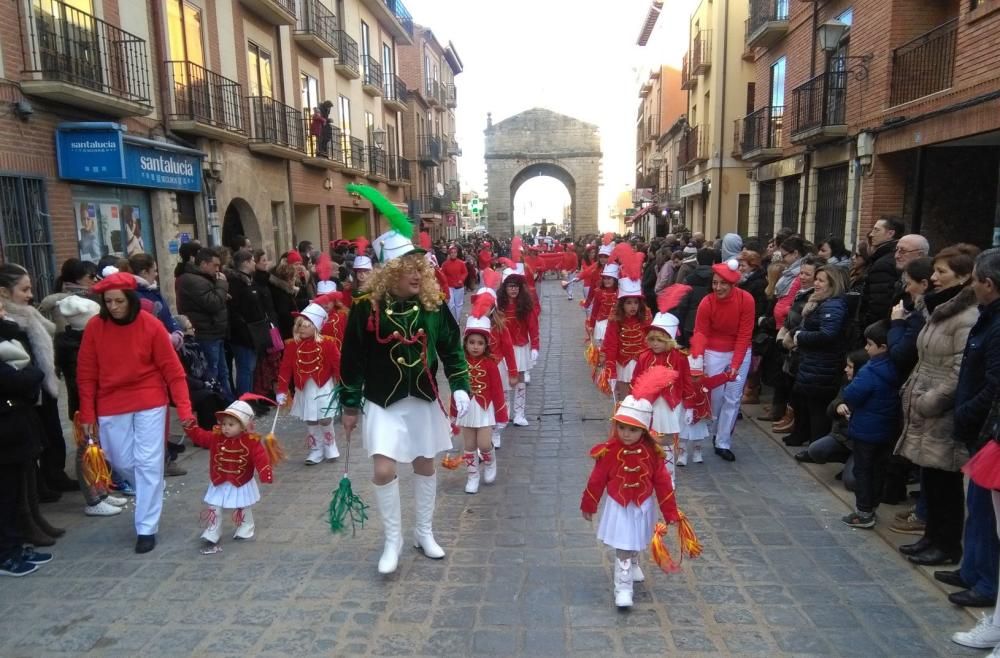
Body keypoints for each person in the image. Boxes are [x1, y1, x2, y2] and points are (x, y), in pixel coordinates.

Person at [338, 208, 471, 575]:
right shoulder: (366, 307)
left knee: (425, 464)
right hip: (383, 400)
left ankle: (423, 533)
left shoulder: (433, 305)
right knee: (383, 469)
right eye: (409, 269)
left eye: (420, 269)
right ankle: (392, 540)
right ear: (390, 274)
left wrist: (460, 386)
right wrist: (350, 405)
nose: (417, 274)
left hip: (423, 398)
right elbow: (352, 359)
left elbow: (451, 348)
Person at [76, 272, 195, 554]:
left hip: (150, 399)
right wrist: (88, 416)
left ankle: (146, 527)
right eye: (109, 301)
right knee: (120, 459)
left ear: (131, 300)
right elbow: (86, 374)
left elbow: (173, 372)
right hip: (110, 402)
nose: (114, 306)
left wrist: (186, 408)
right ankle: (150, 484)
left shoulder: (151, 325)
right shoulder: (95, 327)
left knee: (148, 462)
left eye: (119, 301)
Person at [894, 245, 981, 569]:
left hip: (940, 409)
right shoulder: (939, 308)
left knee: (946, 483)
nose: (933, 277)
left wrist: (931, 400)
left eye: (941, 272)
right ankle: (930, 537)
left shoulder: (966, 316)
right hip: (923, 403)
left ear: (963, 276)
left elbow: (961, 369)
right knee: (931, 477)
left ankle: (946, 545)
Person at [580, 367, 686, 608]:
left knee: (636, 538)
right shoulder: (609, 452)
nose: (626, 434)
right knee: (624, 546)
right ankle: (623, 586)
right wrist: (589, 504)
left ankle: (635, 563)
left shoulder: (653, 453)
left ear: (644, 430)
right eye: (622, 427)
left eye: (633, 429)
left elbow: (662, 483)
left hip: (642, 504)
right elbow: (596, 480)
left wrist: (670, 512)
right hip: (619, 505)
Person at [948, 248, 1000, 608]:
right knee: (975, 502)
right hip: (977, 427)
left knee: (984, 509)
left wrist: (966, 411)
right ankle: (970, 569)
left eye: (976, 281)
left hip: (986, 430)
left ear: (988, 284)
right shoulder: (987, 316)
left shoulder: (997, 326)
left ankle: (985, 582)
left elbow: (994, 384)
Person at [0, 265, 78, 496]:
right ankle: (39, 485)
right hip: (24, 390)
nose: (30, 295)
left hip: (43, 384)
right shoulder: (8, 321)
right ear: (4, 292)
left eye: (30, 288)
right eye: (24, 289)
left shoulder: (30, 314)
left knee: (52, 433)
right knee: (35, 440)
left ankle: (54, 474)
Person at [0, 303, 54, 576]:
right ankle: (6, 553)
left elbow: (32, 371)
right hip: (5, 426)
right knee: (5, 494)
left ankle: (15, 544)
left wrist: (29, 374)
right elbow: (17, 379)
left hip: (16, 424)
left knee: (15, 490)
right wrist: (29, 374)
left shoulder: (8, 335)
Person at [183, 398, 274, 548]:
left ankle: (246, 527)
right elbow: (201, 437)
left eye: (231, 424)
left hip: (241, 480)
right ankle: (213, 530)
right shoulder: (216, 437)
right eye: (224, 423)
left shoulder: (251, 441)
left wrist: (265, 472)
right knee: (214, 506)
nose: (226, 428)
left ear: (243, 426)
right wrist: (191, 428)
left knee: (242, 505)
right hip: (219, 479)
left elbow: (260, 457)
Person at [690, 259, 755, 461]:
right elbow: (700, 332)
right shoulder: (706, 302)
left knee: (733, 398)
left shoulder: (746, 300)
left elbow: (744, 335)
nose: (718, 287)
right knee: (715, 397)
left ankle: (723, 441)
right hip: (713, 350)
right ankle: (714, 427)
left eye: (723, 283)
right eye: (715, 283)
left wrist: (735, 365)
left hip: (740, 351)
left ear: (732, 284)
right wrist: (697, 361)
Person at [840, 321, 901, 528]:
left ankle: (864, 511)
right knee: (878, 469)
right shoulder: (895, 368)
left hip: (866, 429)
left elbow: (852, 395)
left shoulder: (871, 370)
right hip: (886, 428)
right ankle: (872, 506)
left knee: (863, 470)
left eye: (869, 345)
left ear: (883, 347)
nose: (866, 349)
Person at [784, 265, 851, 448]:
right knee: (805, 402)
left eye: (821, 280)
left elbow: (828, 334)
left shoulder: (834, 304)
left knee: (817, 407)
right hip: (812, 360)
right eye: (817, 279)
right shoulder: (820, 302)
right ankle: (802, 434)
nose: (817, 283)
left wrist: (799, 337)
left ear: (832, 284)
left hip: (823, 363)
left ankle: (815, 444)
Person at [276, 303, 341, 465]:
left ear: (316, 327)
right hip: (304, 388)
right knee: (311, 419)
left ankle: (330, 445)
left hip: (324, 387)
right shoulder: (292, 345)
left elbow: (338, 365)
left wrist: (345, 386)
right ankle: (315, 449)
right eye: (299, 325)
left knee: (325, 418)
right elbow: (285, 368)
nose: (302, 329)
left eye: (307, 325)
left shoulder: (328, 343)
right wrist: (282, 390)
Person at [456, 300, 508, 494]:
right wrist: (453, 414)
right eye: (471, 343)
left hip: (485, 408)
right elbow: (457, 388)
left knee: (484, 443)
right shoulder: (460, 364)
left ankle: (490, 461)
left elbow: (497, 391)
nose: (475, 346)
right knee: (469, 445)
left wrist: (502, 415)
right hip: (467, 409)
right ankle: (472, 476)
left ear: (486, 344)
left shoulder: (490, 364)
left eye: (479, 343)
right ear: (465, 343)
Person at [632, 311, 690, 473]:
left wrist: (690, 406)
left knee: (667, 438)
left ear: (669, 340)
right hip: (648, 404)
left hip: (669, 405)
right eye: (652, 339)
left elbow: (686, 382)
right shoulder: (644, 357)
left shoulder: (680, 358)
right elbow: (635, 379)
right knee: (648, 437)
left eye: (660, 340)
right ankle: (648, 469)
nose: (655, 344)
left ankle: (668, 473)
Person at [176, 248, 233, 402]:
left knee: (223, 372)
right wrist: (222, 284)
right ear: (203, 264)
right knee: (212, 373)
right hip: (206, 334)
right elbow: (212, 303)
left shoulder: (204, 278)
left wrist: (219, 290)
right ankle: (217, 405)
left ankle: (228, 405)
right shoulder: (191, 280)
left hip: (215, 332)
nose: (218, 269)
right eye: (214, 265)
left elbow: (213, 298)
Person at [600, 248, 649, 401]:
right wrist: (611, 370)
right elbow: (611, 344)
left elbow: (651, 339)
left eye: (635, 302)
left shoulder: (646, 315)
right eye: (628, 303)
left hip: (642, 362)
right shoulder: (616, 318)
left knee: (640, 397)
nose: (633, 306)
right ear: (622, 304)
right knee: (624, 398)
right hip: (623, 363)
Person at [498, 267, 538, 427]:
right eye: (510, 286)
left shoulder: (526, 305)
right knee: (504, 378)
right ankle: (505, 412)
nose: (513, 289)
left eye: (516, 286)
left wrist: (535, 346)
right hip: (503, 348)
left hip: (520, 346)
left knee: (520, 378)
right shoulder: (498, 305)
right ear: (504, 287)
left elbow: (533, 326)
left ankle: (519, 414)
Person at [225, 250, 268, 398]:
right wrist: (245, 329)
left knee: (250, 368)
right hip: (243, 334)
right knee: (245, 368)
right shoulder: (235, 283)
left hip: (254, 331)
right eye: (252, 261)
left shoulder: (250, 280)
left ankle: (250, 399)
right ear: (244, 263)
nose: (254, 263)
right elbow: (235, 310)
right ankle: (244, 401)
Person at [861, 216, 904, 328]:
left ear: (890, 233)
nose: (871, 234)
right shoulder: (884, 257)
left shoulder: (884, 263)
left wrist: (868, 327)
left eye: (877, 230)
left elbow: (879, 303)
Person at [38, 258, 97, 333]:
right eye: (91, 276)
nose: (95, 280)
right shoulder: (63, 300)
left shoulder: (91, 294)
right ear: (77, 278)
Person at [441, 245, 468, 321]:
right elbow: (442, 274)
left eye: (455, 252)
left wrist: (461, 279)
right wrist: (445, 283)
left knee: (458, 305)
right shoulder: (445, 264)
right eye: (451, 252)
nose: (453, 254)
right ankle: (452, 320)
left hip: (459, 287)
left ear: (457, 253)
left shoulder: (461, 263)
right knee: (451, 304)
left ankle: (457, 320)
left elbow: (465, 272)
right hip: (449, 287)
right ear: (449, 254)